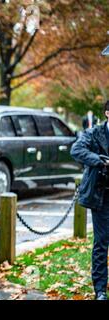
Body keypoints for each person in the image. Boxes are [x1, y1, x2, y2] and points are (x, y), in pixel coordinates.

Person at [71, 100, 109, 300]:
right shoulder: (94, 133)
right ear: (107, 113)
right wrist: (100, 161)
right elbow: (76, 150)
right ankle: (100, 290)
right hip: (101, 195)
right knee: (102, 242)